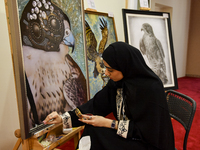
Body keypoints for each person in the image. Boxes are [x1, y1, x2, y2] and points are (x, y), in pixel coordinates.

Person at [43, 42, 175, 150]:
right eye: (105, 67)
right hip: (128, 136)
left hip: (147, 144)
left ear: (124, 66)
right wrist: (62, 118)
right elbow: (94, 106)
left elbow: (147, 132)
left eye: (110, 70)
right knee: (92, 128)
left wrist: (109, 123)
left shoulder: (151, 89)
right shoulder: (117, 84)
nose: (106, 73)